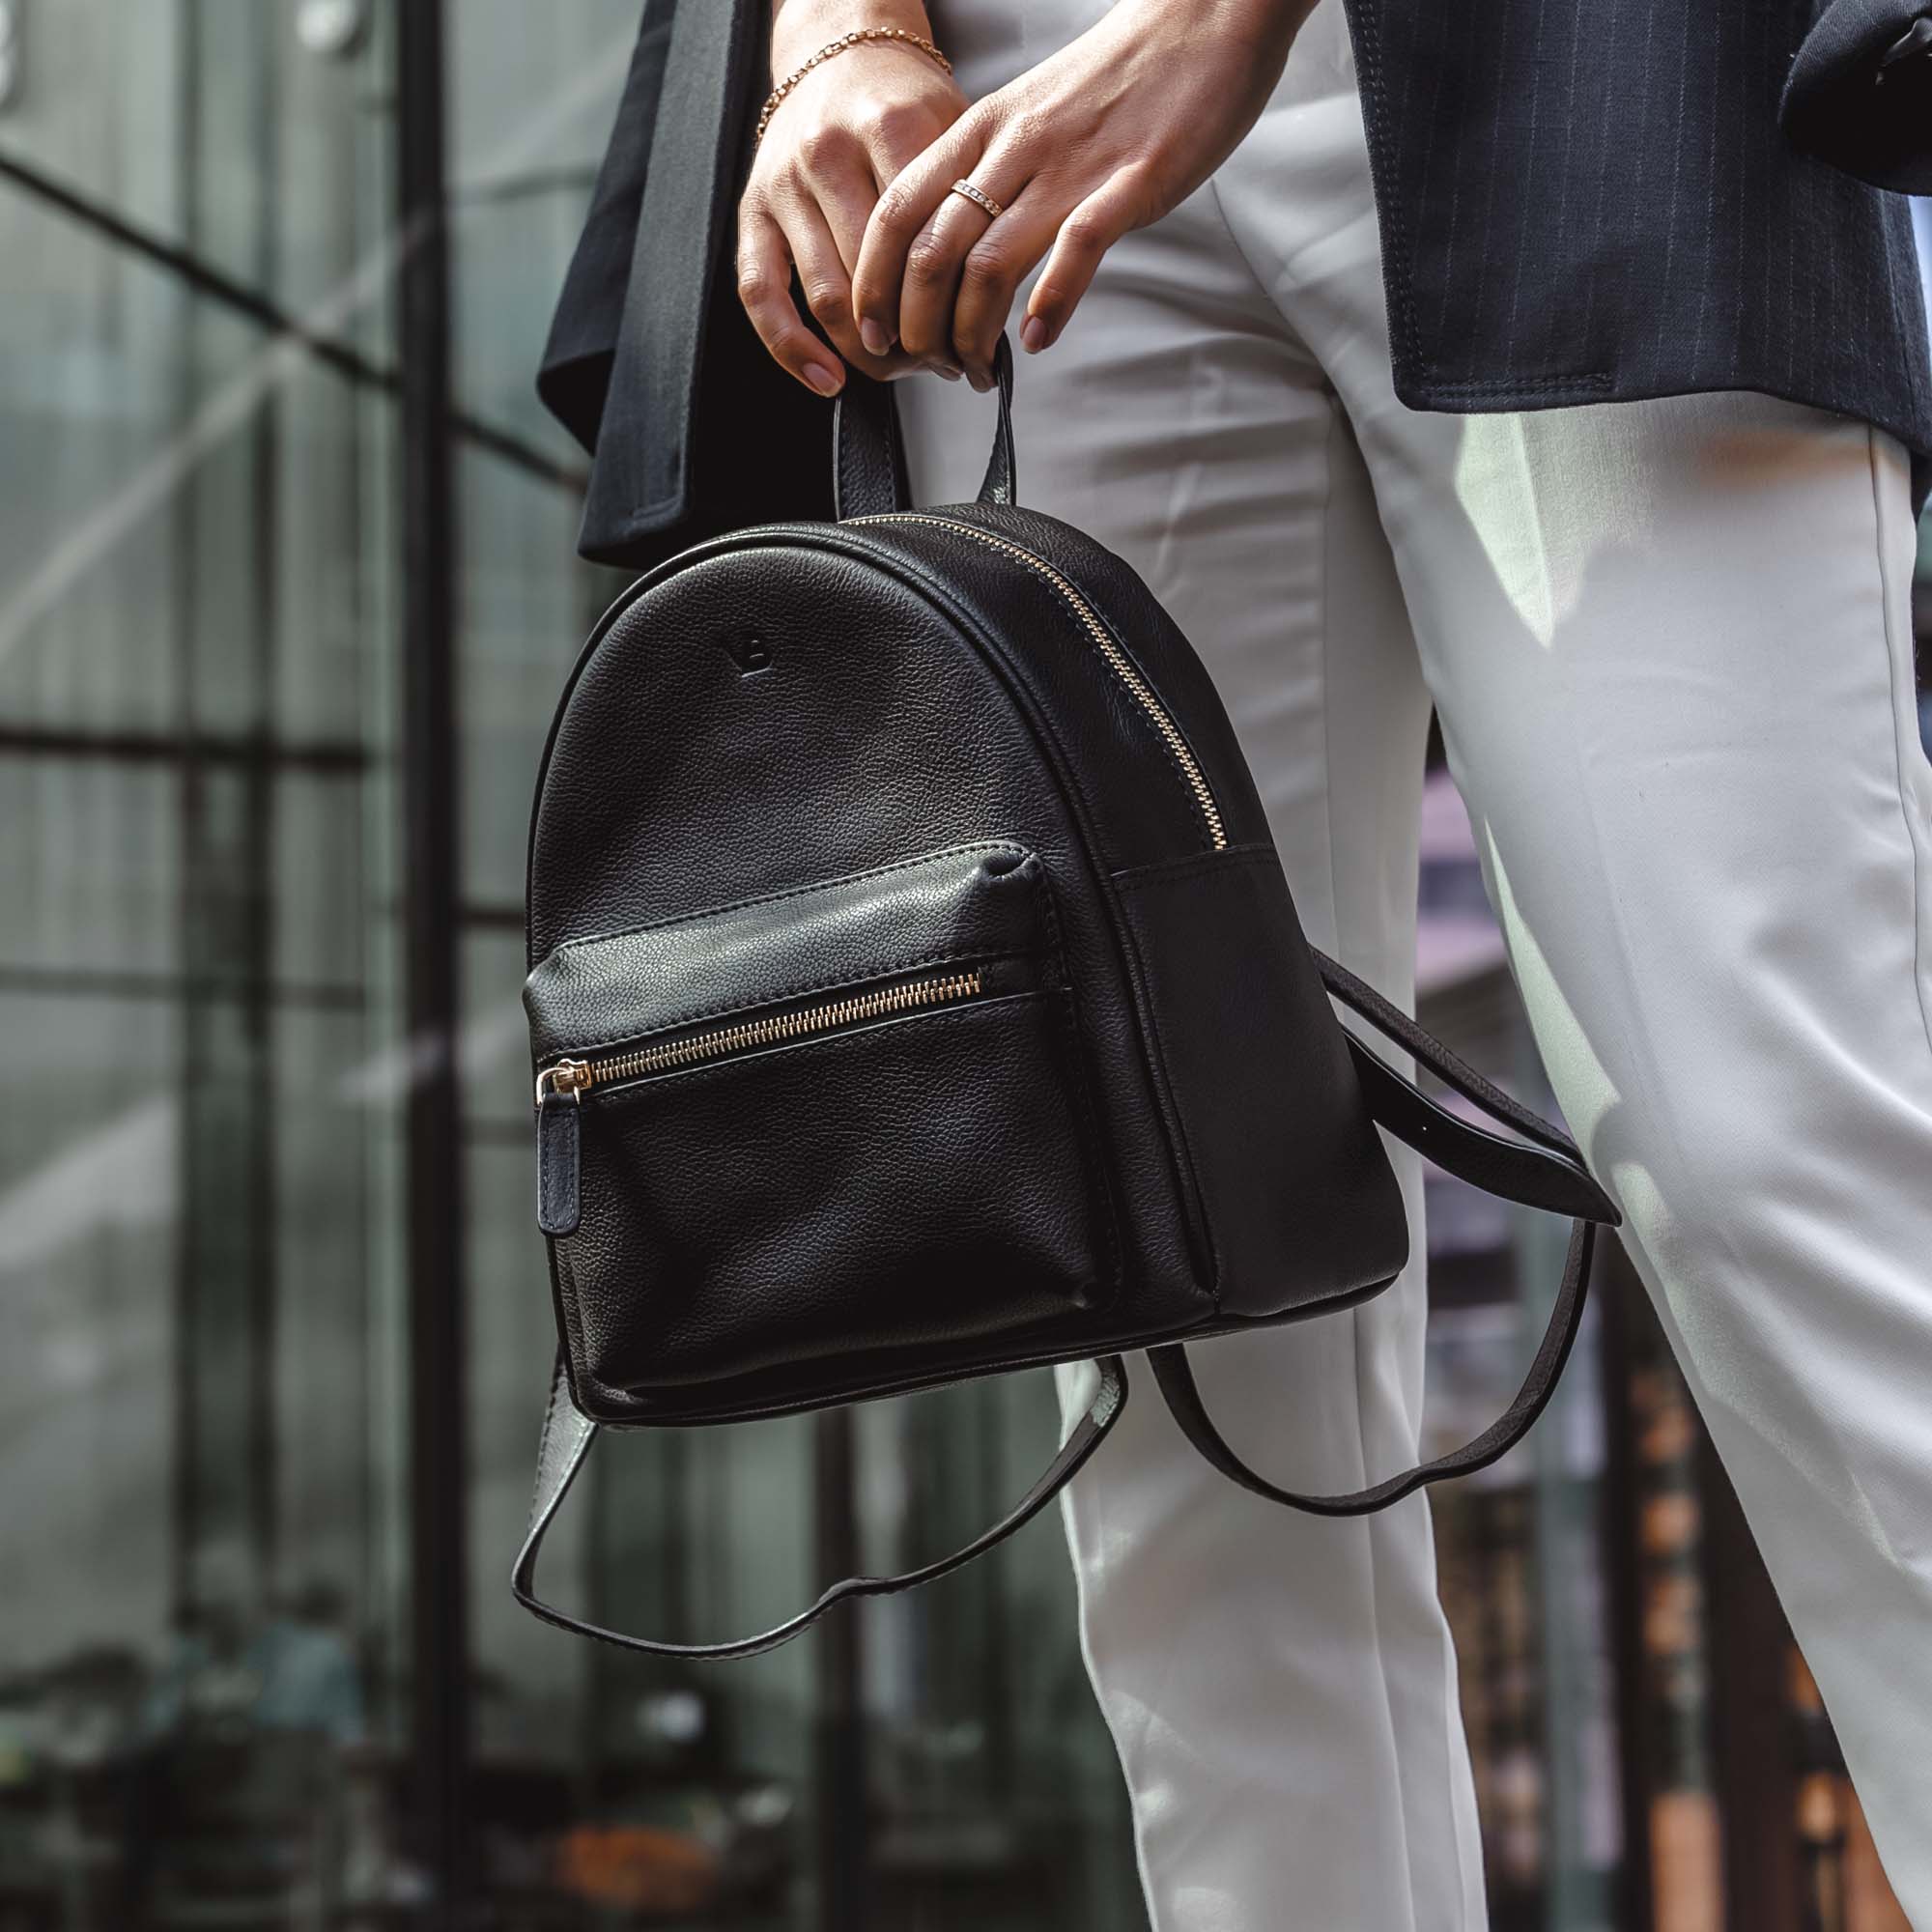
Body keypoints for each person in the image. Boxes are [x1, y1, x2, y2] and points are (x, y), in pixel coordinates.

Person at [540, 1, 1932, 1922]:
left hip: (1568, 64)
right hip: (998, 118)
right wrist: (836, 35)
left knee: (1780, 1150)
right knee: (1169, 1286)